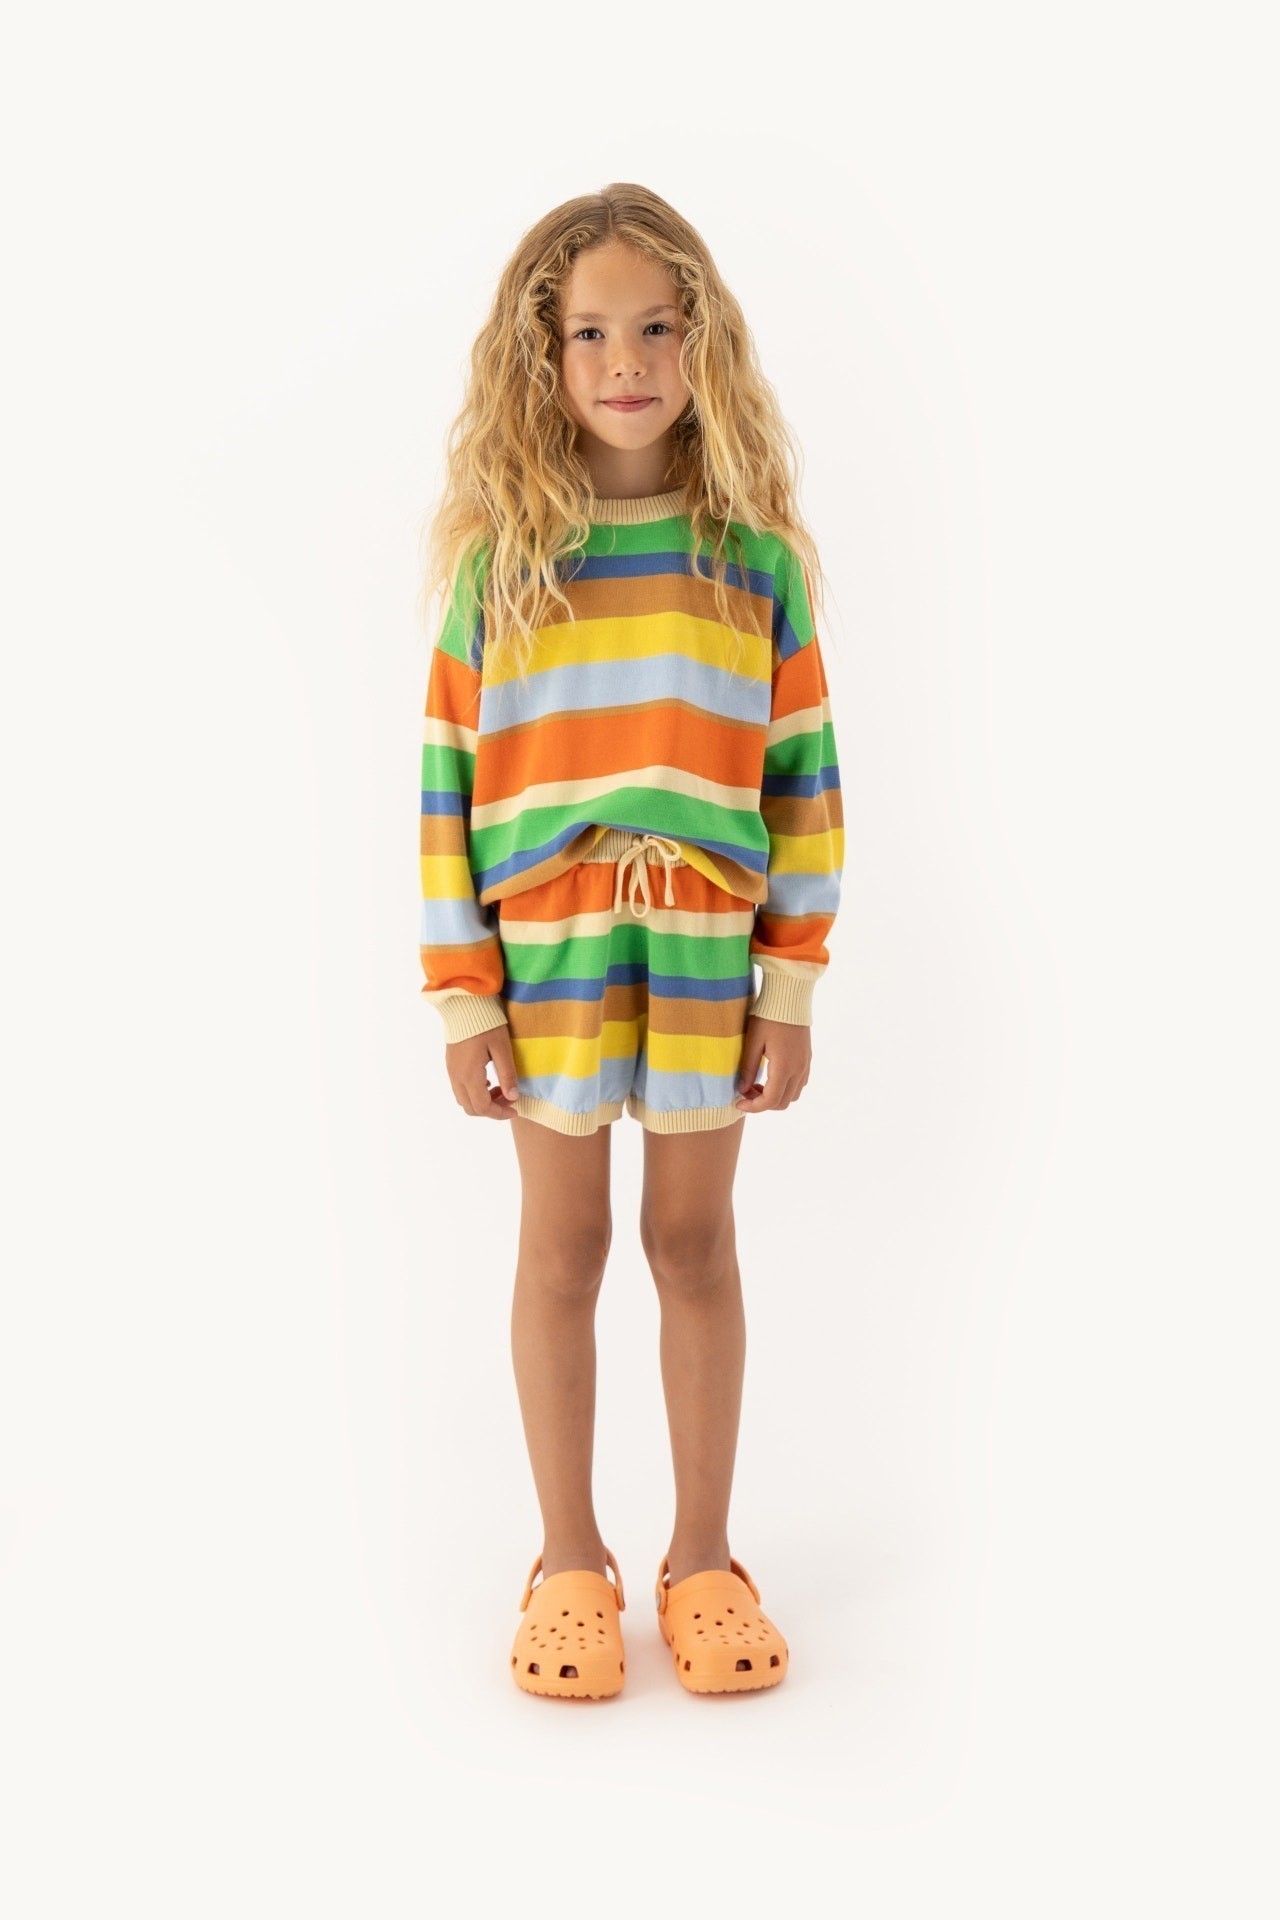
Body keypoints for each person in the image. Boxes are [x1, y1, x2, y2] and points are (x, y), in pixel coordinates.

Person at [416, 184, 843, 1700]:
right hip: (549, 953)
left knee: (692, 1244)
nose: (625, 362)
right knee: (563, 1247)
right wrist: (463, 998)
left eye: (656, 328)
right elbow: (446, 788)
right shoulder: (502, 568)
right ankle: (568, 1560)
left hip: (706, 948)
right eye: (590, 333)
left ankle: (704, 1556)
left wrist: (791, 985)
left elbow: (801, 780)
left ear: (700, 343)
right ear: (542, 356)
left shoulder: (754, 564)